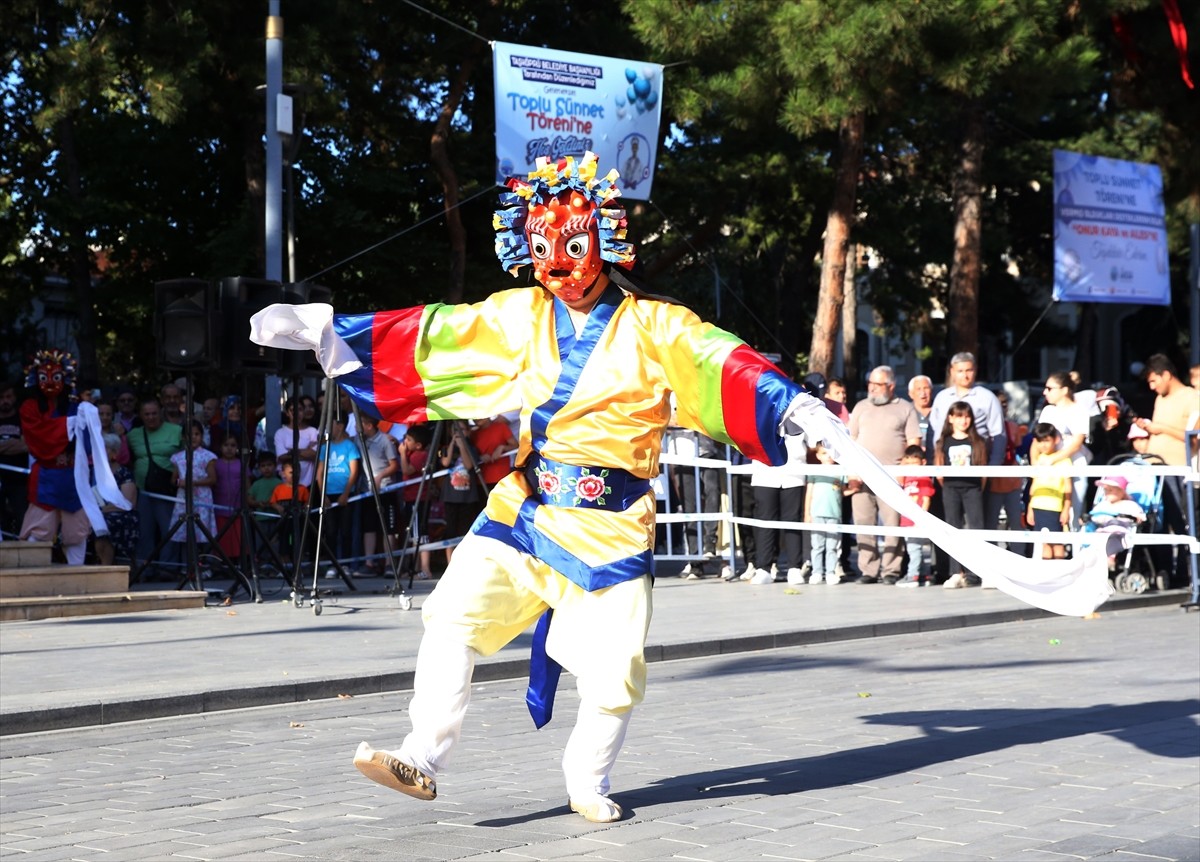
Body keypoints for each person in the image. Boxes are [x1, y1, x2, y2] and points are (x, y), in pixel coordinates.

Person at [251, 151, 1115, 824]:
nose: (560, 265)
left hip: (613, 525)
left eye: (575, 246)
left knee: (616, 676)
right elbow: (437, 338)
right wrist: (331, 334)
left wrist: (796, 409)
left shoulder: (659, 328)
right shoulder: (516, 319)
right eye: (544, 251)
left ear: (605, 242)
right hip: (526, 506)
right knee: (450, 618)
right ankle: (423, 755)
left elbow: (724, 367)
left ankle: (586, 778)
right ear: (529, 251)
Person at [848, 365, 922, 584]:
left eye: (877, 384)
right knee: (864, 523)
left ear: (891, 385)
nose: (872, 388)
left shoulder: (905, 408)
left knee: (893, 524)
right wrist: (852, 473)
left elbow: (913, 443)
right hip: (862, 477)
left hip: (893, 477)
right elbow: (850, 442)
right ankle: (868, 569)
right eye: (870, 383)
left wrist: (907, 474)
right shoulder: (860, 407)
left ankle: (891, 569)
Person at [1133, 354, 1198, 588]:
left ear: (1166, 375)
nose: (1152, 387)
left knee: (1178, 521)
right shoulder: (1160, 399)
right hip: (1153, 466)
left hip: (1176, 467)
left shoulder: (1192, 397)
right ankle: (1163, 570)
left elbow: (1192, 438)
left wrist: (1160, 428)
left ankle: (1183, 571)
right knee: (1155, 520)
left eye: (1154, 381)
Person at [128, 397, 184, 579]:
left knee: (169, 530)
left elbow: (188, 454)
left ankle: (167, 570)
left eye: (154, 413)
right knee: (145, 532)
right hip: (142, 490)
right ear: (141, 416)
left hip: (167, 490)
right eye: (147, 414)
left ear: (160, 413)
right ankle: (145, 569)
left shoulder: (176, 431)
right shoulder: (133, 435)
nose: (151, 417)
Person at [937, 401, 988, 588]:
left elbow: (982, 470)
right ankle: (955, 572)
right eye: (959, 416)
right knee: (952, 527)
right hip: (951, 488)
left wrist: (977, 487)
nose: (963, 420)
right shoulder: (944, 441)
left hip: (972, 488)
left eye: (967, 416)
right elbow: (940, 470)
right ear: (950, 418)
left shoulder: (978, 441)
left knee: (976, 527)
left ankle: (978, 572)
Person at [1037, 371, 1093, 527]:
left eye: (1049, 388)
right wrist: (1038, 462)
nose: (1045, 392)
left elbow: (1077, 442)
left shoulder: (1079, 411)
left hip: (1074, 465)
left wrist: (1053, 459)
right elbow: (1038, 439)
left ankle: (1076, 550)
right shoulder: (1048, 411)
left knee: (1074, 512)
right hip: (1050, 468)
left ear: (1064, 390)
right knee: (1048, 510)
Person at [314, 413, 361, 576]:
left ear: (340, 426)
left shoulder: (350, 446)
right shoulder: (324, 448)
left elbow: (354, 472)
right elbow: (319, 473)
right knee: (331, 531)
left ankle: (346, 565)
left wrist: (346, 493)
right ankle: (332, 565)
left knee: (346, 530)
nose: (328, 429)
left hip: (346, 494)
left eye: (331, 425)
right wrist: (323, 495)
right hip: (329, 495)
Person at [359, 414, 401, 574]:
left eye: (360, 423)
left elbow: (394, 465)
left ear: (369, 425)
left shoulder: (384, 440)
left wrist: (380, 476)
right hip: (366, 491)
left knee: (388, 528)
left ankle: (389, 564)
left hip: (385, 490)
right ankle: (369, 563)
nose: (357, 427)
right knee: (369, 527)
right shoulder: (358, 439)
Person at [169, 419, 218, 551]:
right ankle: (187, 566)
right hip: (184, 499)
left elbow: (212, 479)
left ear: (201, 436)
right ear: (184, 437)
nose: (194, 438)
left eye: (197, 434)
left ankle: (204, 564)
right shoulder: (178, 457)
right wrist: (180, 483)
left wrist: (193, 482)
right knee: (185, 531)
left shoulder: (208, 456)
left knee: (202, 531)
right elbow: (174, 479)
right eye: (190, 435)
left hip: (202, 498)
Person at [438, 420, 482, 566]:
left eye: (462, 430)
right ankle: (450, 562)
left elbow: (469, 465)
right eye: (456, 430)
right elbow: (445, 462)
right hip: (451, 496)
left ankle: (464, 562)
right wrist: (452, 443)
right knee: (450, 529)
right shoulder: (446, 447)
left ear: (468, 432)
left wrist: (462, 445)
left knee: (465, 529)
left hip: (467, 496)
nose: (459, 433)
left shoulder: (472, 448)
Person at [1026, 423, 1071, 561]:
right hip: (1038, 507)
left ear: (1055, 439)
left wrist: (1066, 509)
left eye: (1047, 440)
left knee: (1057, 544)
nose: (1043, 445)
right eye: (1040, 441)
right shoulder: (1037, 461)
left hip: (1055, 508)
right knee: (1043, 544)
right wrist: (1030, 508)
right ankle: (1048, 577)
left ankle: (1060, 576)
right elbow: (1034, 485)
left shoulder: (1064, 461)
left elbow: (1068, 488)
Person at [803, 442, 846, 585]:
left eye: (831, 453)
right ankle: (816, 572)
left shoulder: (841, 471)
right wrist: (807, 514)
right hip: (816, 514)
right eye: (824, 453)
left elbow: (843, 491)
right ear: (817, 456)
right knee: (817, 546)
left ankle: (830, 572)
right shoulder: (815, 471)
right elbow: (809, 493)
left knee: (832, 546)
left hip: (834, 515)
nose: (828, 457)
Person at [94, 432, 139, 565]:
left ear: (114, 452)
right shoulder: (92, 472)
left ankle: (105, 568)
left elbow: (128, 504)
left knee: (104, 524)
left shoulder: (124, 473)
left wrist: (100, 511)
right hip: (97, 513)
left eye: (104, 448)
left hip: (120, 515)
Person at [397, 423, 434, 580]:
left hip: (418, 498)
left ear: (418, 445)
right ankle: (416, 569)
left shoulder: (420, 455)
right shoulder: (413, 453)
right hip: (410, 498)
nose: (405, 441)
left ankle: (425, 569)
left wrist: (402, 454)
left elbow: (407, 470)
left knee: (420, 535)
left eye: (409, 439)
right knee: (414, 535)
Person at [896, 444, 934, 587]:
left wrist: (920, 519)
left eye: (914, 463)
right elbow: (898, 477)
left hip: (916, 520)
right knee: (914, 548)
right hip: (906, 519)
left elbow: (926, 499)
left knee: (914, 549)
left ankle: (913, 576)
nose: (911, 467)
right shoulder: (907, 478)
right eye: (908, 463)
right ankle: (924, 575)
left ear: (923, 463)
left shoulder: (924, 478)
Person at [0, 381, 29, 540]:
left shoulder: (22, 418)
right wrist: (13, 444)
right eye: (1, 397)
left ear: (14, 398)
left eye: (8, 396)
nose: (5, 400)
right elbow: (19, 444)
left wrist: (2, 446)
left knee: (21, 517)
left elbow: (26, 446)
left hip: (19, 479)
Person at [212, 435, 244, 562]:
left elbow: (246, 483)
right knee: (223, 536)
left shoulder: (241, 463)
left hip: (237, 506)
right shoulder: (215, 463)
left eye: (233, 445)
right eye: (226, 445)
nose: (229, 449)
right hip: (219, 505)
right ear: (220, 447)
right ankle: (222, 561)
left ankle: (237, 561)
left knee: (237, 536)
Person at [274, 398, 319, 489]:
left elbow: (315, 455)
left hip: (310, 483)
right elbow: (282, 457)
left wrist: (291, 451)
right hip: (287, 483)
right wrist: (306, 450)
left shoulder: (313, 431)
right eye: (292, 410)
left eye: (300, 409)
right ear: (287, 413)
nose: (297, 413)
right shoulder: (280, 433)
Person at [470, 415, 516, 491]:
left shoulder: (501, 427)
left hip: (502, 477)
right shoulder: (473, 434)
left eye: (479, 414)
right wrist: (479, 457)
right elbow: (469, 454)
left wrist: (502, 447)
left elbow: (515, 446)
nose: (476, 418)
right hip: (481, 480)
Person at [1089, 386, 1133, 466]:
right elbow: (1094, 449)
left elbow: (1125, 449)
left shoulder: (1128, 422)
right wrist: (1104, 431)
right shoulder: (1096, 422)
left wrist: (1113, 432)